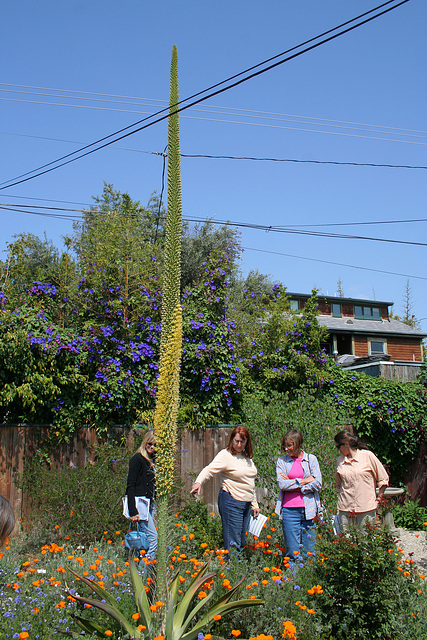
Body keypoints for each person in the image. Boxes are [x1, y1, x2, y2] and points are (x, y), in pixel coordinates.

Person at [190, 425, 260, 555]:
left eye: (242, 442)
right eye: (236, 441)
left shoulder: (247, 458)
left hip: (246, 505)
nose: (239, 445)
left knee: (240, 542)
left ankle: (236, 571)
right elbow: (209, 470)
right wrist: (198, 482)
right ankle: (233, 573)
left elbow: (250, 483)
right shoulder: (225, 455)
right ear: (231, 440)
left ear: (247, 442)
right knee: (233, 544)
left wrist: (254, 504)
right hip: (232, 502)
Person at [275, 429, 322, 559]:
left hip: (309, 509)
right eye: (285, 445)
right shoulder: (282, 461)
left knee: (310, 550)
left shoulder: (311, 459)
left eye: (289, 445)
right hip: (289, 510)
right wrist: (304, 481)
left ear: (298, 444)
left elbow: (318, 483)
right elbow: (282, 484)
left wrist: (293, 484)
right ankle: (292, 577)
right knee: (292, 551)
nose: (286, 449)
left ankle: (308, 578)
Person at [334, 429, 389, 530]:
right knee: (346, 542)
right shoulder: (340, 461)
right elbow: (339, 484)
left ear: (346, 444)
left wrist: (378, 499)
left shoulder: (367, 456)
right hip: (345, 508)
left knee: (365, 541)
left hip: (366, 508)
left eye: (339, 446)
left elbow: (383, 478)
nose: (338, 450)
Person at [125, 431, 158, 566]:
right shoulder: (137, 459)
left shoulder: (152, 460)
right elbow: (130, 485)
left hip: (150, 503)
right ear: (145, 443)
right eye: (149, 444)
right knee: (153, 538)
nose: (152, 447)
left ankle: (139, 568)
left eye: (155, 445)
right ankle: (145, 571)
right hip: (140, 505)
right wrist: (132, 511)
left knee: (143, 540)